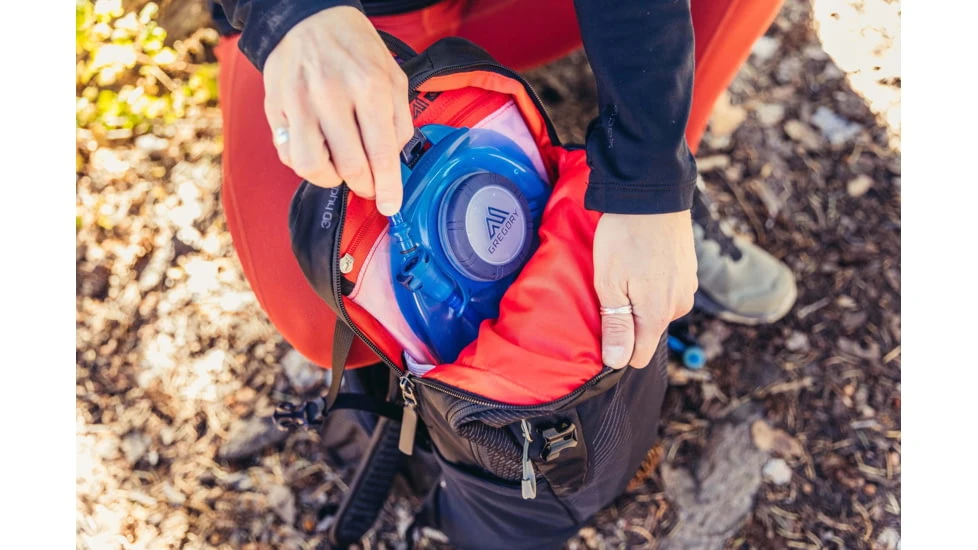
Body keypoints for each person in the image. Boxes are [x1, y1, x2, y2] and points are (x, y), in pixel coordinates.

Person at [210, 0, 796, 379]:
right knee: (321, 309)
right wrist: (289, 14)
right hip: (345, 23)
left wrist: (650, 179)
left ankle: (665, 202)